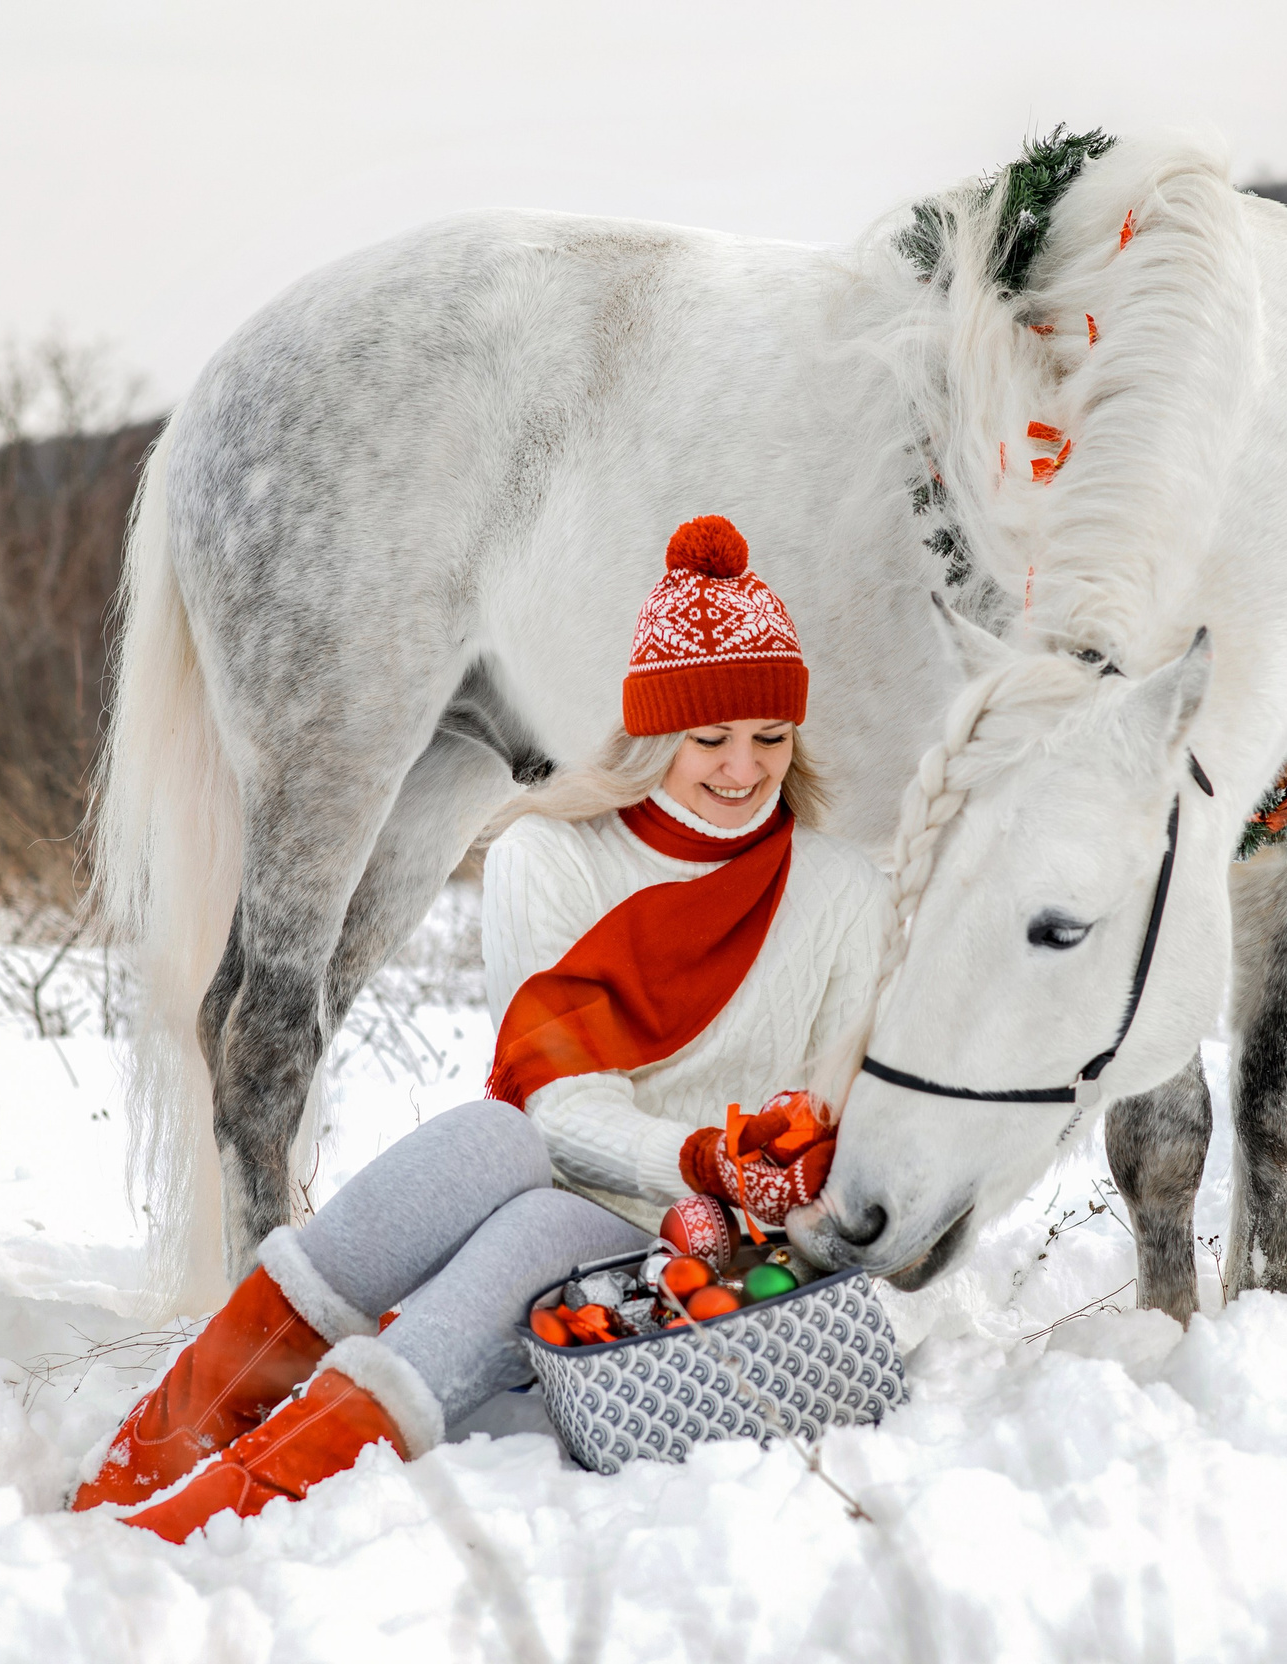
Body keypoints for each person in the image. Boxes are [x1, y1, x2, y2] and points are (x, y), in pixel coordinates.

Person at [75, 515, 890, 1540]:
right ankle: (168, 1430)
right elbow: (553, 1112)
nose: (742, 769)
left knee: (539, 1227)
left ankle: (254, 1493)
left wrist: (770, 1164)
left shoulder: (846, 891)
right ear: (650, 736)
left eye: (770, 737)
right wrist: (695, 1151)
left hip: (719, 1240)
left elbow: (839, 1104)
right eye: (709, 737)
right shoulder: (548, 859)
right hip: (576, 1164)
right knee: (492, 1133)